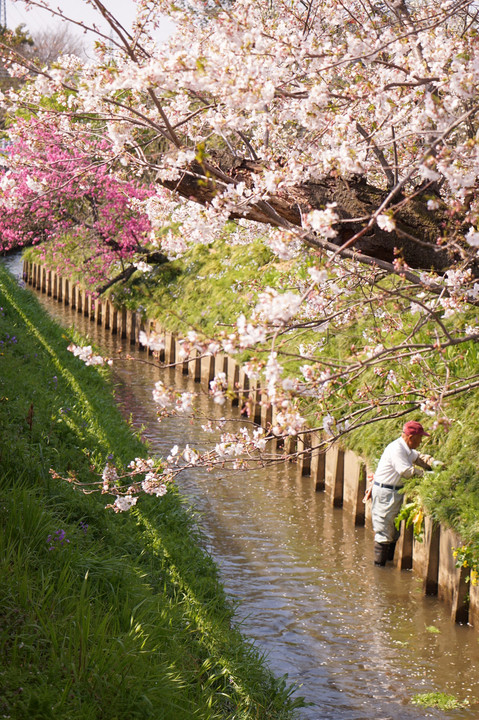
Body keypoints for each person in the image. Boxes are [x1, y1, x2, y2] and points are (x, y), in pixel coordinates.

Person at [368, 420, 436, 567]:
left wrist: (432, 463)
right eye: (419, 438)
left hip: (394, 492)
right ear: (411, 437)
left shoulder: (406, 449)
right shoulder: (397, 449)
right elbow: (405, 471)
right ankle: (380, 570)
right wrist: (425, 475)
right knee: (384, 531)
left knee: (392, 532)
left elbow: (417, 458)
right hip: (385, 493)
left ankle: (387, 564)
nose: (420, 442)